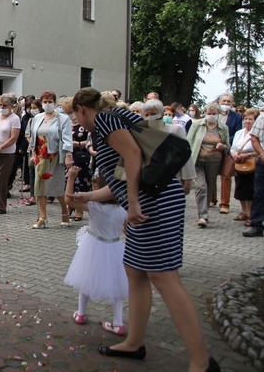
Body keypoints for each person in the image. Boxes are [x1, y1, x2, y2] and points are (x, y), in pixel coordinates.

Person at [71, 87, 219, 371]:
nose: (77, 122)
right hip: (150, 201)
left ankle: (202, 361)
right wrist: (89, 197)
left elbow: (133, 154)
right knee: (135, 271)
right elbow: (122, 179)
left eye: (75, 116)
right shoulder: (113, 118)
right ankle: (134, 342)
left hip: (156, 202)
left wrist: (135, 204)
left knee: (163, 276)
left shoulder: (104, 120)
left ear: (81, 109)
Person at [64, 166, 128, 336]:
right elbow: (126, 229)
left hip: (93, 246)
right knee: (116, 285)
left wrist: (71, 178)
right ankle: (118, 322)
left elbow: (69, 201)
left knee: (86, 278)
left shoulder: (95, 207)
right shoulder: (123, 208)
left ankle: (81, 313)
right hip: (115, 247)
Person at [28, 91, 73, 228]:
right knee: (39, 187)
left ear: (54, 102)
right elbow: (33, 136)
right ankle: (43, 217)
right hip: (40, 156)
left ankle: (64, 211)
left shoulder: (62, 118)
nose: (47, 104)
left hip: (55, 155)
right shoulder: (37, 118)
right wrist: (32, 153)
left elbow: (66, 138)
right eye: (45, 102)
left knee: (56, 186)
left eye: (50, 101)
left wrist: (68, 155)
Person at [187, 103, 230, 228]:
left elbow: (228, 145)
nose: (211, 116)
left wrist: (223, 147)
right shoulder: (197, 124)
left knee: (210, 187)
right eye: (209, 113)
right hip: (198, 160)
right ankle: (203, 216)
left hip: (214, 161)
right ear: (205, 113)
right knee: (201, 186)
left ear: (218, 114)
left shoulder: (223, 127)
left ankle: (204, 213)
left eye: (214, 114)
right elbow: (188, 142)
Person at [141, 99, 196, 195]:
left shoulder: (175, 130)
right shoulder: (140, 132)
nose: (150, 117)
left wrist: (188, 179)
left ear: (161, 113)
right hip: (149, 179)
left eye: (153, 113)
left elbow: (186, 154)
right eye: (147, 114)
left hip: (173, 178)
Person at [63, 96, 91, 221]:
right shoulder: (66, 124)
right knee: (69, 181)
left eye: (71, 112)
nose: (69, 115)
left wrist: (78, 144)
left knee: (82, 182)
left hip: (82, 156)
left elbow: (90, 140)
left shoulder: (84, 124)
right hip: (70, 156)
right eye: (67, 112)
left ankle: (80, 209)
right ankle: (70, 205)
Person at [230, 108, 259, 226]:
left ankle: (252, 214)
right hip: (239, 163)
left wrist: (246, 155)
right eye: (246, 119)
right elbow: (233, 147)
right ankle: (244, 212)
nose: (247, 121)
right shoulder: (239, 132)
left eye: (250, 119)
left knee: (250, 190)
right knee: (240, 187)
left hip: (252, 164)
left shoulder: (258, 134)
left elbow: (260, 150)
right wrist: (234, 154)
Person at [217, 93, 243, 215]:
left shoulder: (237, 117)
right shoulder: (214, 114)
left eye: (228, 101)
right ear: (219, 102)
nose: (226, 103)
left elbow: (238, 133)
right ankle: (211, 199)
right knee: (210, 175)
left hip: (228, 149)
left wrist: (224, 141)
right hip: (212, 149)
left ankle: (224, 203)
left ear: (232, 103)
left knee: (226, 176)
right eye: (224, 101)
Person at [243, 111, 264, 237]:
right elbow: (254, 138)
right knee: (259, 192)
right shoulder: (262, 118)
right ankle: (256, 225)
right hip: (262, 161)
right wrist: (262, 153)